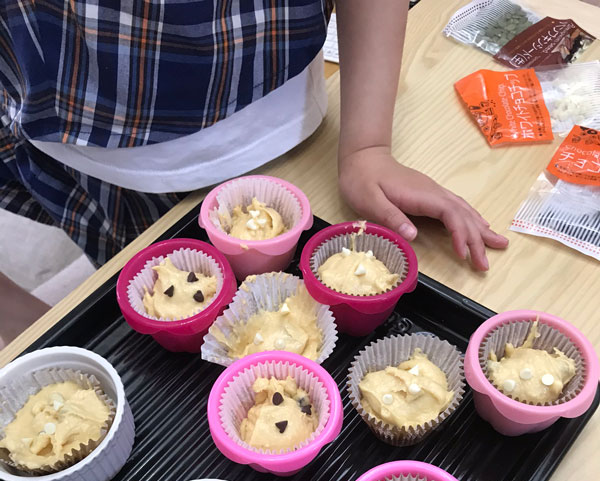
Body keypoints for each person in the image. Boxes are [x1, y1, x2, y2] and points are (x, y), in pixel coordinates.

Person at [0, 0, 508, 344]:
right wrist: (33, 327)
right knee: (155, 305)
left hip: (296, 125)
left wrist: (368, 146)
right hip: (95, 163)